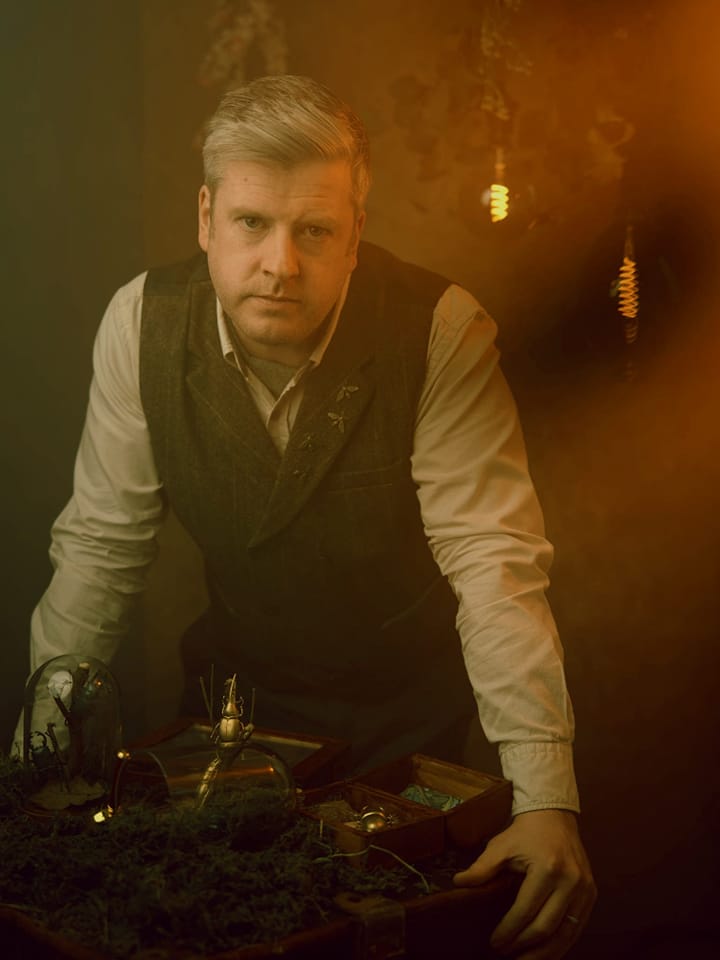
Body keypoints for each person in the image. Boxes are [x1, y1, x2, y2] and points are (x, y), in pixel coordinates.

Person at [21, 75, 595, 957]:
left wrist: (546, 799)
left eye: (315, 230)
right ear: (207, 217)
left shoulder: (440, 331)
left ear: (355, 234)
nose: (280, 263)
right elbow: (100, 549)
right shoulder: (139, 321)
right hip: (221, 722)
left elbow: (493, 565)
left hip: (408, 732)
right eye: (253, 223)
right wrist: (37, 776)